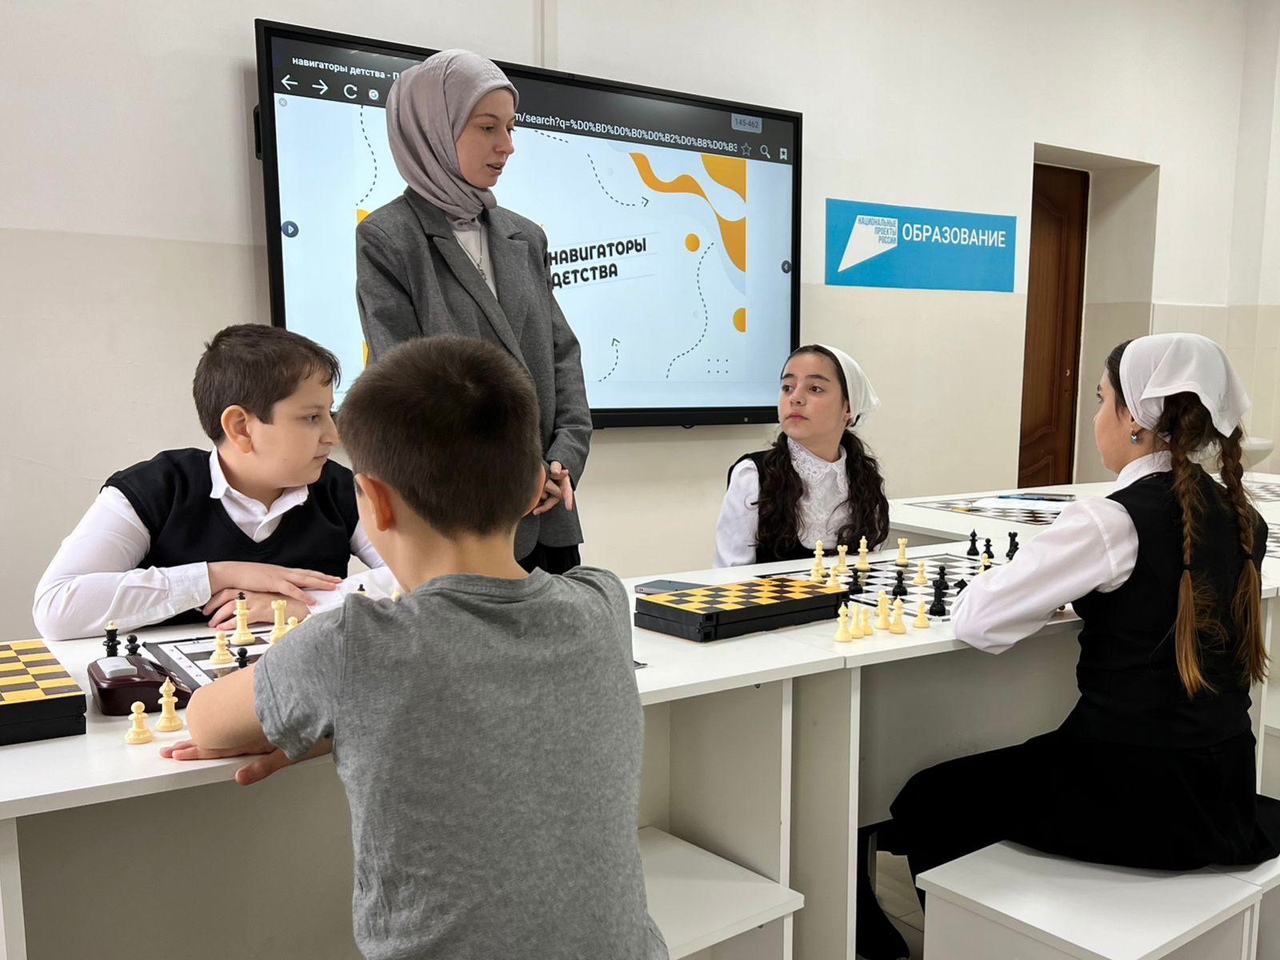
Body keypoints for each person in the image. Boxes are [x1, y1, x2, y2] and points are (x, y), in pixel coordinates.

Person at [162, 335, 667, 960]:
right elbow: (491, 701)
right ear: (535, 487)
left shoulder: (352, 647)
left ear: (374, 502)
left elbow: (206, 721)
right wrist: (352, 721)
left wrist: (322, 721)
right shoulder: (603, 601)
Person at [858, 333, 1280, 960]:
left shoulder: (1111, 519)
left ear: (1136, 419)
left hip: (1132, 791)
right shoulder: (1246, 517)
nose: (1096, 416)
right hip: (1222, 785)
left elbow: (977, 619)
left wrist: (1055, 589)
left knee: (927, 799)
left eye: (1102, 399)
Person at [357, 49, 590, 575]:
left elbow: (563, 356)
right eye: (488, 127)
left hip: (549, 511)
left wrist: (563, 460)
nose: (506, 145)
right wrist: (516, 475)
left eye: (510, 127)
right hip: (462, 519)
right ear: (433, 131)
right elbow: (407, 383)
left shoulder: (525, 236)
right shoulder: (388, 237)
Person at [33, 324, 387, 640]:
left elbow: (417, 578)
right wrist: (219, 575)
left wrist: (308, 606)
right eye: (311, 417)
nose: (332, 435)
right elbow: (56, 607)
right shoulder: (156, 488)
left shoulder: (339, 488)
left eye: (329, 413)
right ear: (241, 427)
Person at [714, 343, 889, 567]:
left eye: (814, 388)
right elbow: (729, 575)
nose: (795, 398)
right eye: (787, 387)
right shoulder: (753, 475)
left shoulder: (866, 480)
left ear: (848, 407)